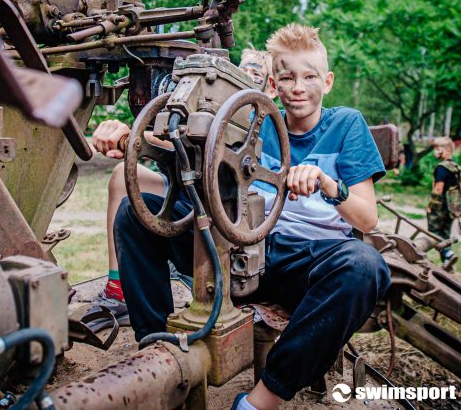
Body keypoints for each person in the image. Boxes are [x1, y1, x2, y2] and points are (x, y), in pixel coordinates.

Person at [113, 23, 391, 410]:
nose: (298, 87)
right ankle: (158, 353)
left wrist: (329, 185)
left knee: (365, 265)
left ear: (327, 82)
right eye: (287, 78)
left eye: (310, 77)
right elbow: (180, 146)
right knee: (136, 213)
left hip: (308, 264)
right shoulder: (253, 121)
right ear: (273, 85)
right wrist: (126, 136)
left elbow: (367, 220)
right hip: (244, 249)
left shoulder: (347, 125)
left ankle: (260, 401)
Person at [86, 48, 277, 330]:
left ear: (270, 88)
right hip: (194, 197)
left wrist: (134, 137)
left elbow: (215, 149)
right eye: (241, 72)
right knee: (123, 180)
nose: (245, 78)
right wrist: (135, 140)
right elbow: (187, 140)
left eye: (254, 76)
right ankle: (121, 293)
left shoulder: (264, 124)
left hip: (236, 218)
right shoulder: (217, 110)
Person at [426, 136, 459, 263]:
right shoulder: (455, 167)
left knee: (434, 232)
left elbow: (438, 189)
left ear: (446, 150)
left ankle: (447, 253)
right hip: (452, 207)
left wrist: (430, 206)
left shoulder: (441, 168)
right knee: (445, 233)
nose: (435, 151)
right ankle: (447, 262)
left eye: (437, 148)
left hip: (440, 207)